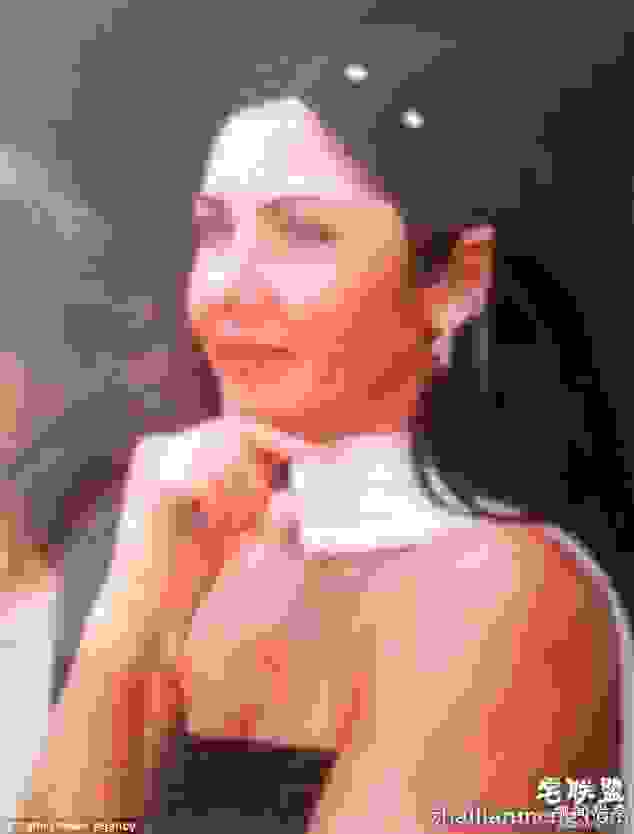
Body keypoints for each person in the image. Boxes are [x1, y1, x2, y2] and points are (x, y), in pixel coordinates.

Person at [19, 25, 630, 834]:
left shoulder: (514, 594)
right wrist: (137, 613)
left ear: (455, 282)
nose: (228, 289)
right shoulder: (179, 550)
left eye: (304, 233)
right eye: (213, 230)